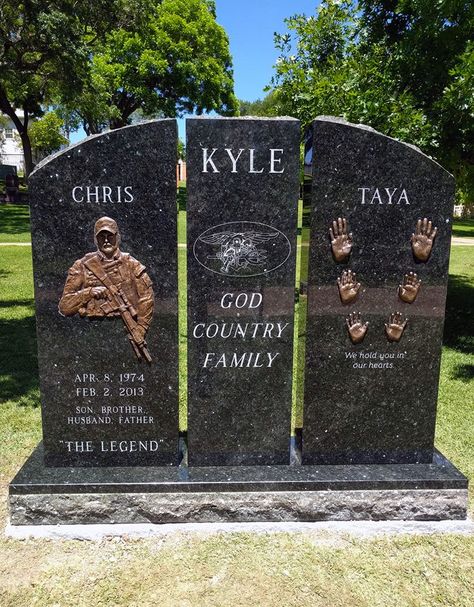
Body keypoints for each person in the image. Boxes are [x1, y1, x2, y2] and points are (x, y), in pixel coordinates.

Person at [59, 217, 154, 360]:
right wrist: (88, 293)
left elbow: (147, 297)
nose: (106, 240)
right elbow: (64, 307)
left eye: (110, 236)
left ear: (118, 237)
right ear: (95, 240)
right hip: (89, 335)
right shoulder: (82, 265)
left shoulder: (132, 264)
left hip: (125, 327)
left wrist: (140, 328)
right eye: (101, 237)